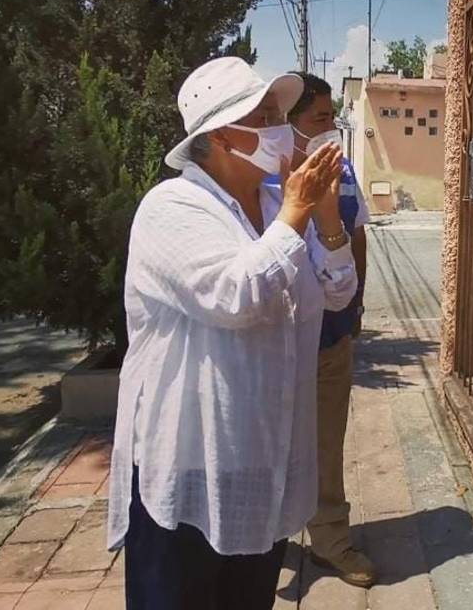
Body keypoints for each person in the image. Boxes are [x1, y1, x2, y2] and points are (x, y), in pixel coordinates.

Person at [106, 57, 358, 610]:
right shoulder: (171, 206)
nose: (280, 127)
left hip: (262, 455)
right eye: (265, 115)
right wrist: (295, 216)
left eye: (278, 114)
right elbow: (234, 297)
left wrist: (327, 216)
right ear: (222, 136)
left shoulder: (273, 204)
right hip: (193, 458)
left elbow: (338, 291)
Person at [264, 73, 375, 587]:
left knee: (326, 444)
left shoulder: (346, 171)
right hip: (273, 345)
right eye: (321, 119)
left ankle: (330, 539)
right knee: (268, 443)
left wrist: (354, 314)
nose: (333, 127)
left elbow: (357, 236)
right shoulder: (260, 179)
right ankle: (265, 540)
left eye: (333, 117)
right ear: (289, 127)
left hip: (331, 338)